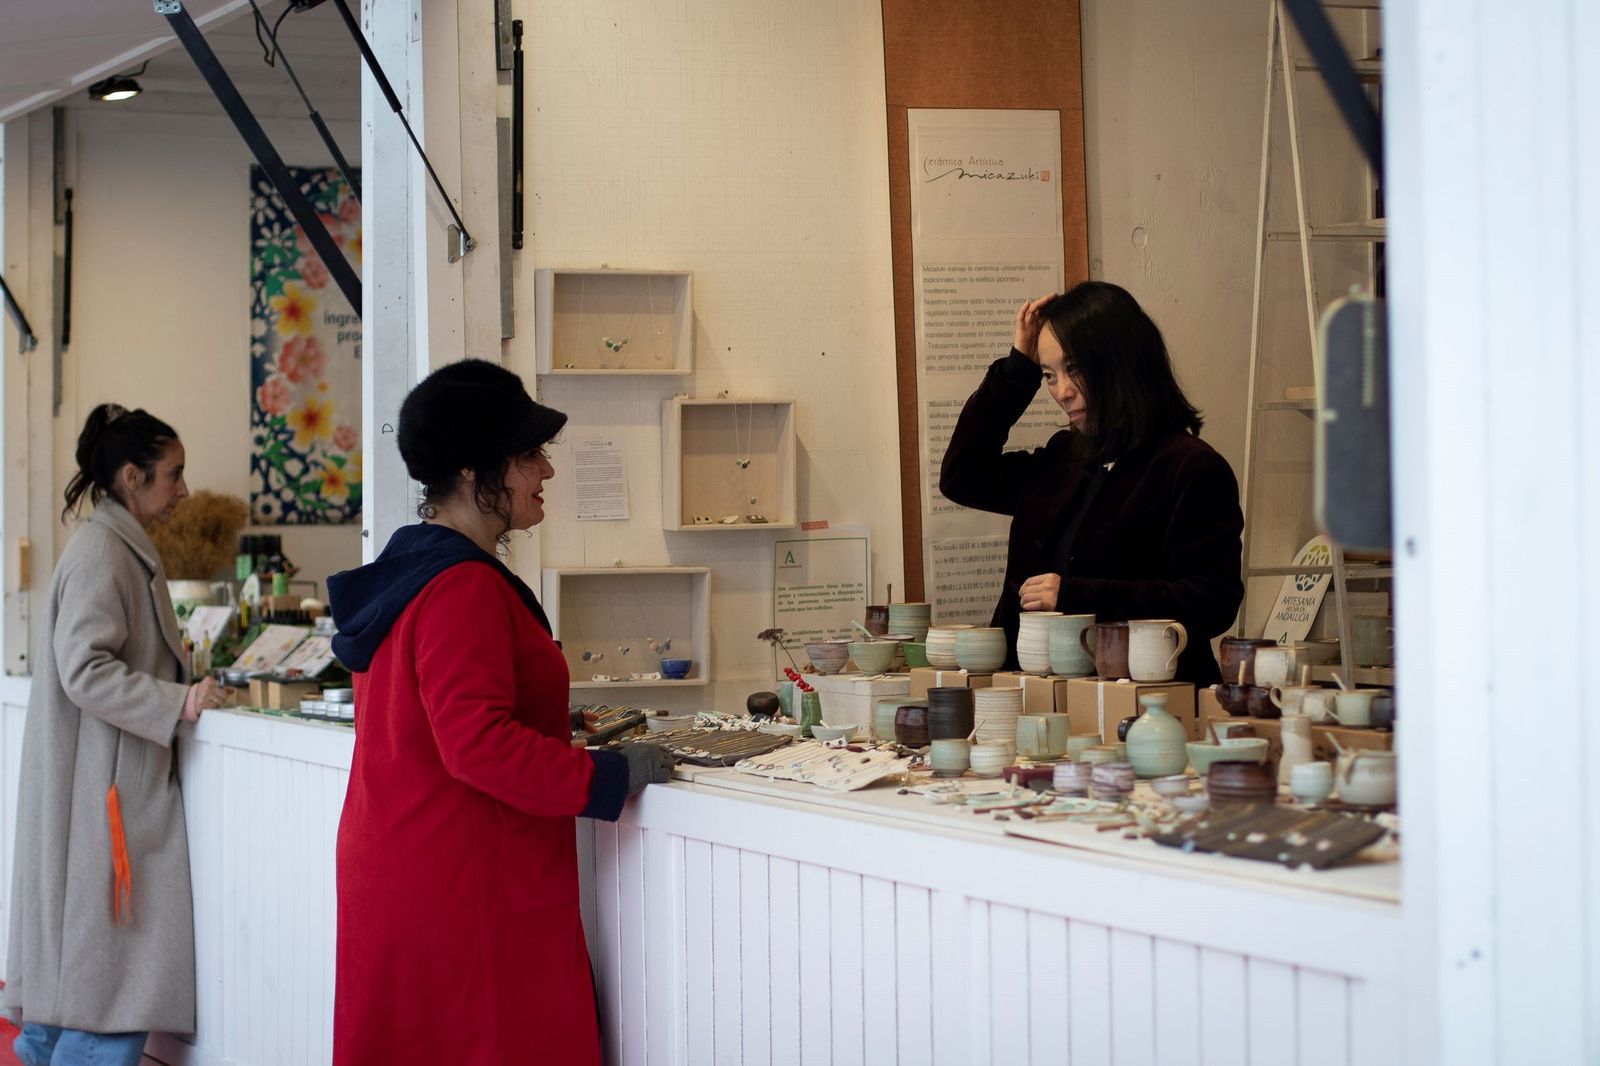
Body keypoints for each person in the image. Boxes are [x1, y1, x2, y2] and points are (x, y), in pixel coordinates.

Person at [327, 359, 673, 1066]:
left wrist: (556, 729)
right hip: (465, 886)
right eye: (526, 455)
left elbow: (435, 720)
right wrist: (608, 775)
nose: (545, 471)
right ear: (471, 471)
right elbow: (476, 743)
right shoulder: (461, 587)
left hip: (413, 868)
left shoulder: (413, 570)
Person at [6, 404, 227, 1066]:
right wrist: (179, 700)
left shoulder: (114, 547)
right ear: (132, 476)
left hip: (101, 789)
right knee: (114, 993)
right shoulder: (107, 553)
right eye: (174, 474)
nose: (184, 490)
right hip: (107, 795)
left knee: (82, 985)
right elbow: (85, 668)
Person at [940, 281, 1244, 684]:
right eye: (1050, 374)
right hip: (1035, 699)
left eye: (1076, 370)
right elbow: (963, 476)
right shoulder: (1064, 456)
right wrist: (1019, 368)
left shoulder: (1190, 467)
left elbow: (1212, 600)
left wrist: (1078, 597)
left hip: (1148, 705)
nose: (1062, 392)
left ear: (1123, 362)